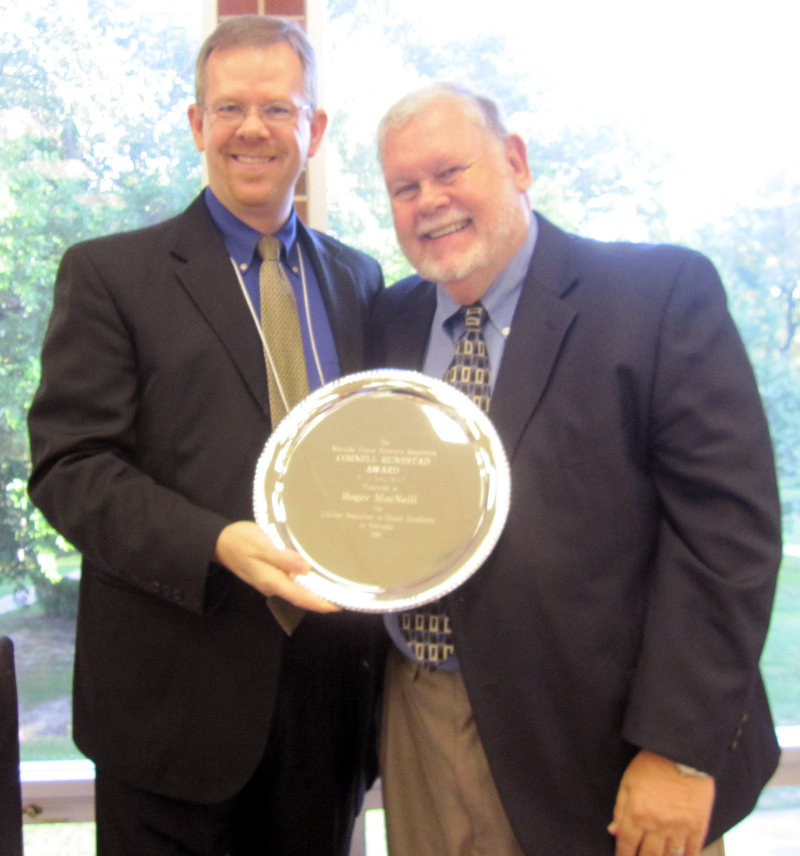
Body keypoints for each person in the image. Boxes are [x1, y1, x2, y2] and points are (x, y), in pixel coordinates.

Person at [371, 82, 782, 856]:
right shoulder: (389, 321)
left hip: (608, 749)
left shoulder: (656, 296)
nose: (431, 201)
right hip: (419, 723)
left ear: (516, 163)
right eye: (405, 186)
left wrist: (678, 749)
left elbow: (728, 536)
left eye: (450, 171)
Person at [27, 16, 385, 856]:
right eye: (229, 108)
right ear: (197, 124)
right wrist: (216, 541)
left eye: (277, 107)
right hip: (170, 714)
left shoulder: (360, 280)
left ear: (314, 129)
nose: (252, 128)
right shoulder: (111, 275)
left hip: (330, 705)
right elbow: (70, 468)